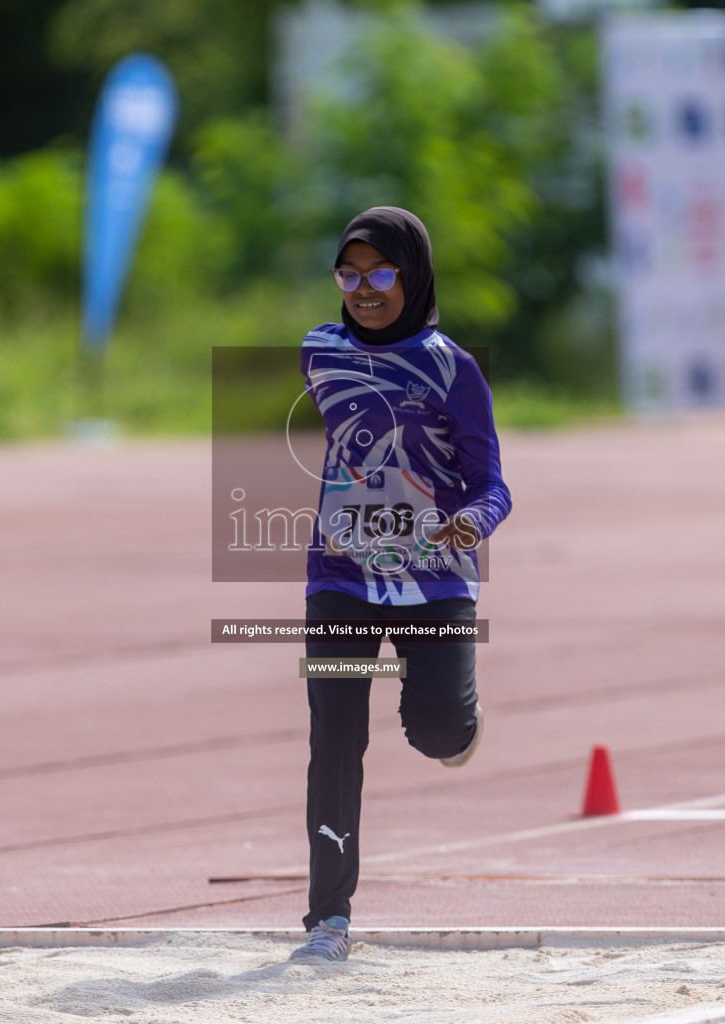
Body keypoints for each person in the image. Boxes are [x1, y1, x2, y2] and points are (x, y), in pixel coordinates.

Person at [289, 207, 512, 962]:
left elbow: (493, 485)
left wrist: (471, 524)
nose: (363, 288)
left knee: (436, 732)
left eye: (380, 272)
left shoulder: (452, 365)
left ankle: (463, 724)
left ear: (412, 275)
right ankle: (329, 921)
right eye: (347, 274)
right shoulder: (318, 352)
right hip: (340, 576)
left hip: (437, 578)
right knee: (335, 736)